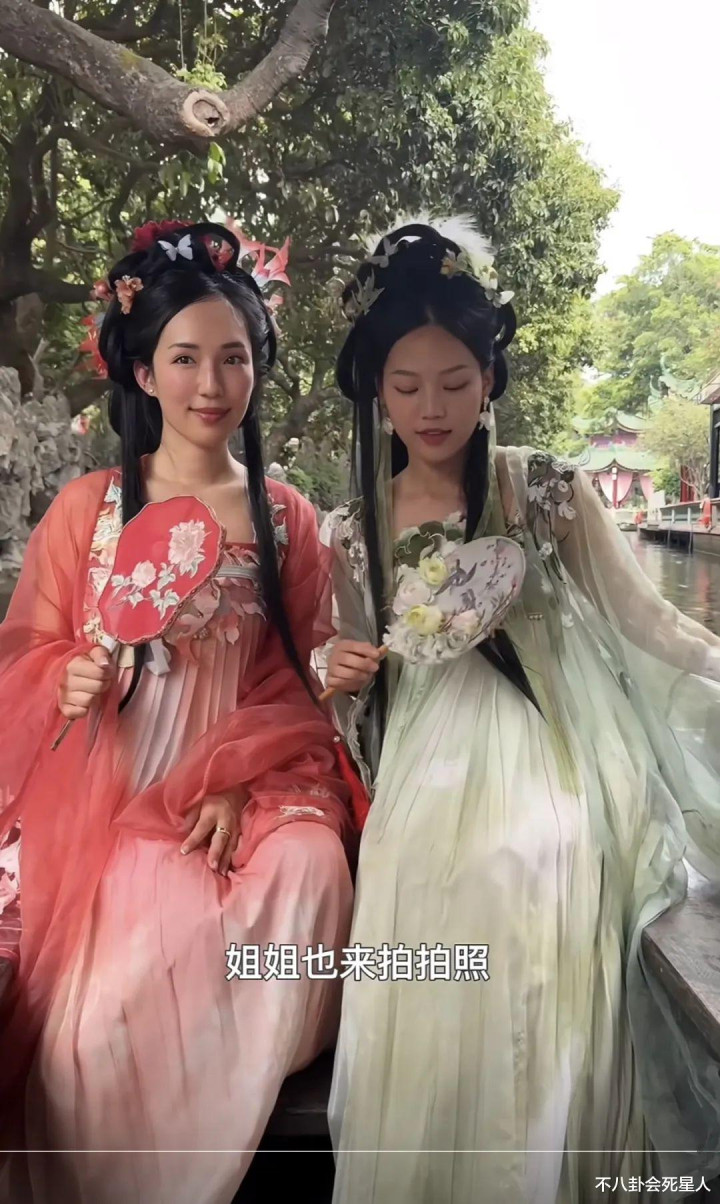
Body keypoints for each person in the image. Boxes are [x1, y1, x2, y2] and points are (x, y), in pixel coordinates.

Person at [322, 219, 720, 1203]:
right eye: (407, 386)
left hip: (552, 740)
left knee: (534, 852)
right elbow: (351, 666)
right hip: (425, 756)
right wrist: (341, 666)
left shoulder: (543, 488)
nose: (431, 408)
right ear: (379, 392)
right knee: (420, 869)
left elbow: (645, 620)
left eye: (455, 381)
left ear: (489, 378)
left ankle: (541, 1146)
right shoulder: (355, 525)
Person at [0, 220, 361, 1203]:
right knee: (88, 1028)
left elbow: (294, 682)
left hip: (243, 784)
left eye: (233, 357)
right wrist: (68, 676)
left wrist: (240, 782)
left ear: (258, 368)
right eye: (186, 357)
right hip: (110, 789)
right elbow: (26, 651)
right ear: (144, 372)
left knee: (312, 865)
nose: (212, 383)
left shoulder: (285, 517)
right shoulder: (89, 509)